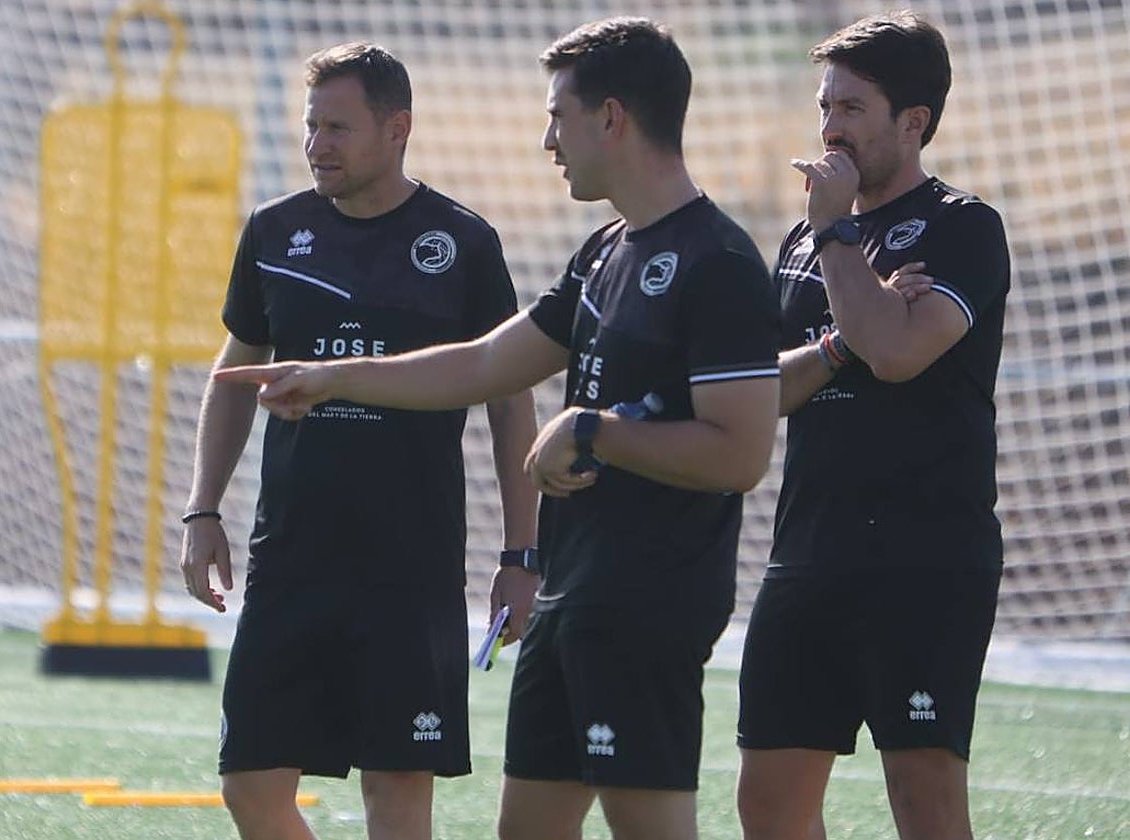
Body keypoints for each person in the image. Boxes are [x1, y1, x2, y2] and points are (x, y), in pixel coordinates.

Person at [217, 17, 780, 840]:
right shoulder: (603, 254)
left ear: (612, 118)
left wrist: (594, 432)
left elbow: (742, 454)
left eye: (559, 114)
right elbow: (483, 364)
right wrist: (331, 376)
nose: (548, 139)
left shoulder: (719, 262)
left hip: (644, 604)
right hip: (569, 601)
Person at [178, 42, 540, 840]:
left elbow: (511, 404)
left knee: (399, 798)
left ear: (397, 128)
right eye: (311, 127)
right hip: (291, 560)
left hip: (408, 567)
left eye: (337, 127)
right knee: (250, 785)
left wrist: (522, 556)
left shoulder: (462, 242)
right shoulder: (274, 232)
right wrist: (202, 509)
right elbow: (231, 376)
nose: (318, 145)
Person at [735, 12, 1011, 840]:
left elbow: (895, 351)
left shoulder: (965, 226)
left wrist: (836, 235)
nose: (828, 128)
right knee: (769, 804)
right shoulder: (802, 243)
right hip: (809, 552)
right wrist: (835, 340)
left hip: (925, 559)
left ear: (913, 122)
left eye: (851, 108)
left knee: (924, 804)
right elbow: (759, 392)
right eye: (825, 106)